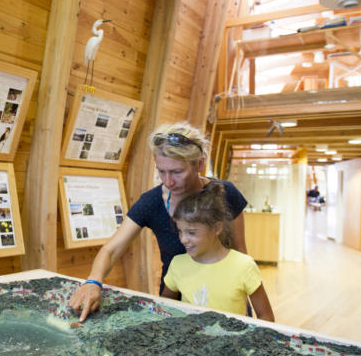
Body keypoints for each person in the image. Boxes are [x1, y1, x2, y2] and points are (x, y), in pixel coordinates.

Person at [68, 122, 249, 321]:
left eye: (177, 172)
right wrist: (93, 281)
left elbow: (240, 252)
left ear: (199, 164)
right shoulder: (151, 202)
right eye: (161, 171)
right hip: (175, 303)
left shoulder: (227, 193)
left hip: (225, 301)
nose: (168, 181)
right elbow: (111, 250)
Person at [161, 181, 274, 321]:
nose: (183, 239)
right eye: (180, 231)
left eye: (191, 232)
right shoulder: (177, 264)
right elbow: (164, 306)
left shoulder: (244, 266)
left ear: (217, 228)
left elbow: (265, 315)